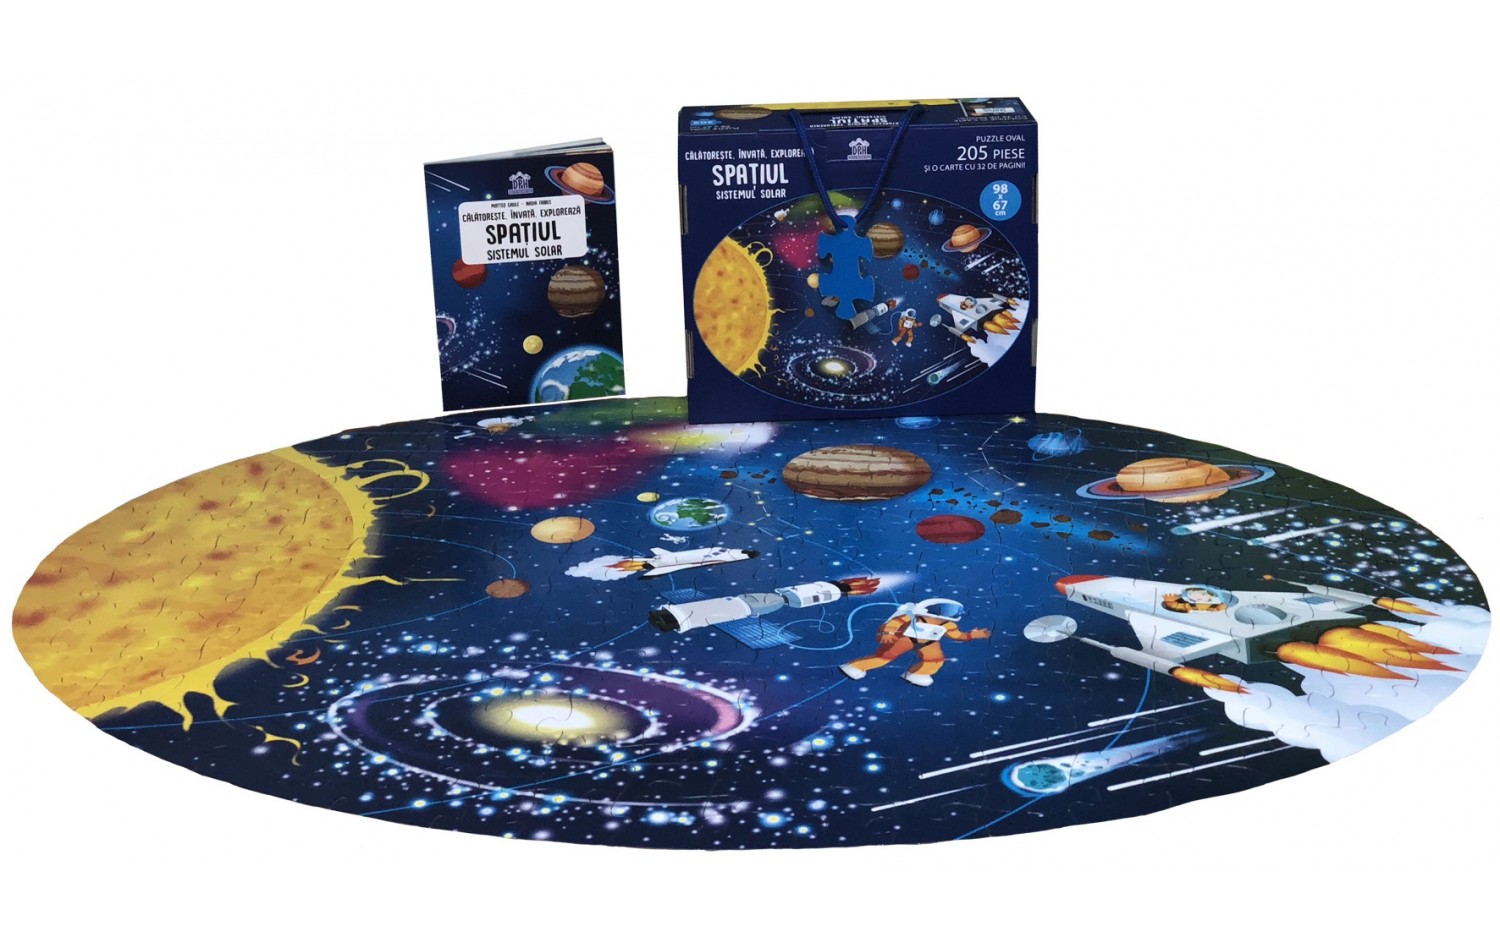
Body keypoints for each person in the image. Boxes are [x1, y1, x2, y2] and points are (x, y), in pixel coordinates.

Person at [839, 598, 990, 687]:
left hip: (929, 642)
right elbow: (893, 623)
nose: (946, 614)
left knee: (935, 660)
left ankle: (917, 674)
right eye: (944, 610)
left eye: (951, 611)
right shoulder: (912, 616)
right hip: (905, 639)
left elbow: (957, 635)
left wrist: (973, 635)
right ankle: (855, 666)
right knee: (884, 657)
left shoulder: (948, 624)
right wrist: (887, 633)